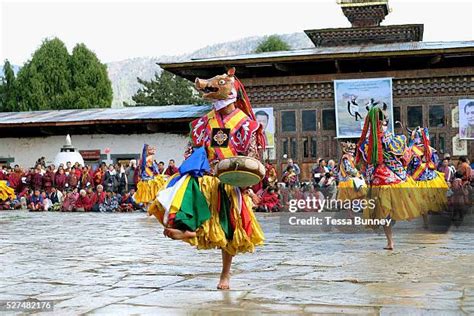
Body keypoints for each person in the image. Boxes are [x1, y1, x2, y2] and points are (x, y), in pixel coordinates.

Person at [147, 68, 265, 290]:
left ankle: (225, 274)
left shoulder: (247, 124)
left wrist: (248, 186)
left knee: (228, 231)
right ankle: (189, 231)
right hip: (203, 178)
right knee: (167, 202)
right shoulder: (202, 123)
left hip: (230, 183)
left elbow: (253, 158)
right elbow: (190, 151)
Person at [356, 105, 421, 250]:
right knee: (391, 211)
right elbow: (404, 155)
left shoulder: (368, 142)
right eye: (384, 123)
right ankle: (391, 238)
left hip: (379, 181)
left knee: (384, 213)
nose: (384, 126)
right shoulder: (390, 139)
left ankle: (390, 241)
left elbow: (365, 162)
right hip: (392, 178)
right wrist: (409, 142)